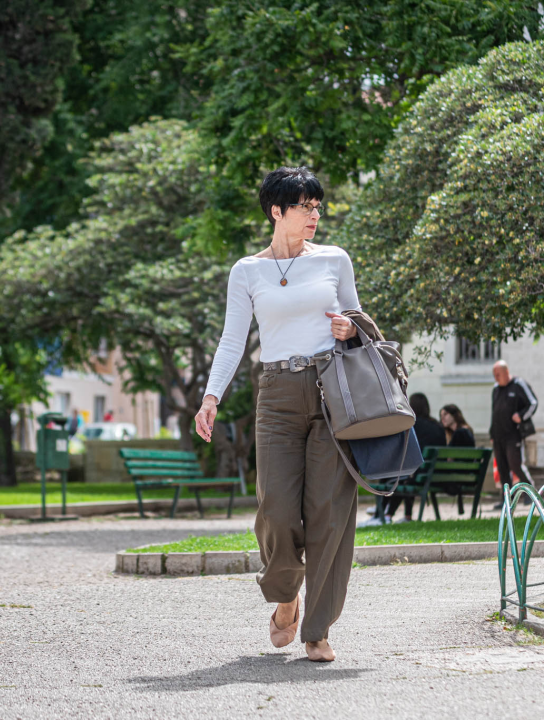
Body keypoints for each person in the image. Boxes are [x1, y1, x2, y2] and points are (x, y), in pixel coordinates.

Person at [194, 166, 363, 663]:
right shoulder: (247, 271)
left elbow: (358, 317)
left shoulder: (334, 259)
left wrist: (349, 329)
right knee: (276, 510)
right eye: (304, 206)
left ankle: (318, 629)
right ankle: (286, 596)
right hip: (276, 392)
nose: (315, 215)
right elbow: (232, 339)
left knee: (331, 512)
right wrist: (211, 397)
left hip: (332, 388)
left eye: (317, 206)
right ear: (276, 210)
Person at [361, 393, 446, 527]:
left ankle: (382, 515)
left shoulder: (413, 424)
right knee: (404, 474)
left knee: (393, 474)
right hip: (432, 474)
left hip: (417, 473)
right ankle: (402, 515)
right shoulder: (437, 425)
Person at [488, 361, 538, 508]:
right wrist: (492, 432)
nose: (496, 378)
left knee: (515, 465)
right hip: (498, 436)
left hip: (513, 434)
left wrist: (521, 416)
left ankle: (530, 493)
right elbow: (494, 412)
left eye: (498, 374)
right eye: (494, 375)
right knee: (503, 469)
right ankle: (507, 500)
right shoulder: (496, 389)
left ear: (506, 372)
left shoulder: (518, 384)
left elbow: (533, 403)